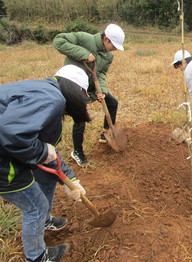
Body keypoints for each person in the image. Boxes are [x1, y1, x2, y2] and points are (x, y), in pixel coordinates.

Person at [0, 65, 91, 262]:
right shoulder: (52, 99)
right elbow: (11, 134)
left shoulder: (44, 91)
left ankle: (45, 221)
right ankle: (36, 256)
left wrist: (71, 179)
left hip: (8, 148)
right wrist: (41, 151)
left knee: (47, 177)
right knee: (36, 207)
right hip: (3, 160)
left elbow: (50, 154)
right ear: (75, 93)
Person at [53, 23, 125, 166]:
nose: (115, 50)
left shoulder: (109, 55)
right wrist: (84, 54)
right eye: (114, 46)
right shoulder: (85, 39)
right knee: (81, 118)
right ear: (105, 39)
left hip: (91, 86)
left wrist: (102, 91)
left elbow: (101, 73)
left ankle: (106, 133)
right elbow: (58, 41)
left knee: (112, 103)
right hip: (72, 83)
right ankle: (77, 152)